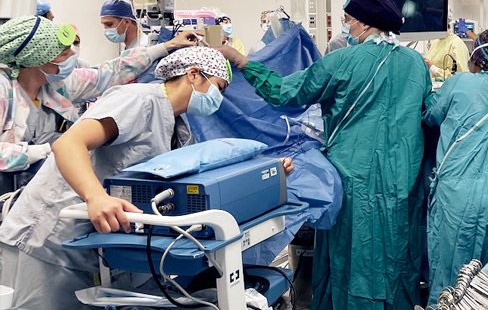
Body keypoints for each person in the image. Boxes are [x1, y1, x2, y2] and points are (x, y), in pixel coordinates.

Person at [0, 46, 295, 309]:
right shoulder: (139, 101)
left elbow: (198, 173)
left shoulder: (178, 126)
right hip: (47, 238)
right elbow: (69, 143)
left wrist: (267, 174)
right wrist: (96, 196)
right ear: (193, 74)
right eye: (218, 87)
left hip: (96, 241)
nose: (219, 98)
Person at [217, 0, 430, 309]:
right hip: (402, 177)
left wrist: (240, 61)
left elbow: (284, 93)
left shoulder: (343, 60)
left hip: (353, 176)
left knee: (355, 254)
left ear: (363, 23)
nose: (346, 28)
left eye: (347, 21)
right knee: (396, 248)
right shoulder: (415, 63)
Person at [0, 15, 196, 174]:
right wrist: (49, 150)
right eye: (63, 54)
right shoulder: (4, 91)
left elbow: (109, 73)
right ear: (36, 59)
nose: (72, 57)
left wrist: (165, 46)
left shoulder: (57, 85)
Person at [423, 29, 488, 302]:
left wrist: (429, 93)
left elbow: (431, 116)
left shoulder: (461, 83)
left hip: (460, 192)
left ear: (477, 56)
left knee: (452, 269)